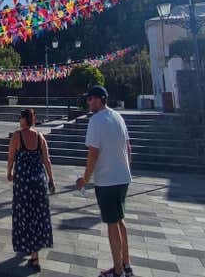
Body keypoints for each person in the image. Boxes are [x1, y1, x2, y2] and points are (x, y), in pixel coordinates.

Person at [76, 86, 134, 277]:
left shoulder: (96, 120)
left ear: (100, 99)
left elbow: (93, 152)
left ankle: (117, 271)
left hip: (107, 180)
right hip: (123, 177)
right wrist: (124, 169)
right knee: (120, 220)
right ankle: (126, 264)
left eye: (91, 99)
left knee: (111, 223)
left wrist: (85, 179)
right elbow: (128, 147)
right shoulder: (118, 117)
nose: (88, 102)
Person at [7, 108, 55, 271]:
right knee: (37, 215)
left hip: (23, 184)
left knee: (24, 214)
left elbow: (11, 157)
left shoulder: (17, 136)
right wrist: (51, 180)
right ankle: (34, 252)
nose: (19, 120)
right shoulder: (40, 136)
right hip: (39, 183)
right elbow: (47, 160)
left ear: (24, 119)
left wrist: (9, 172)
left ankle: (31, 251)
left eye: (20, 117)